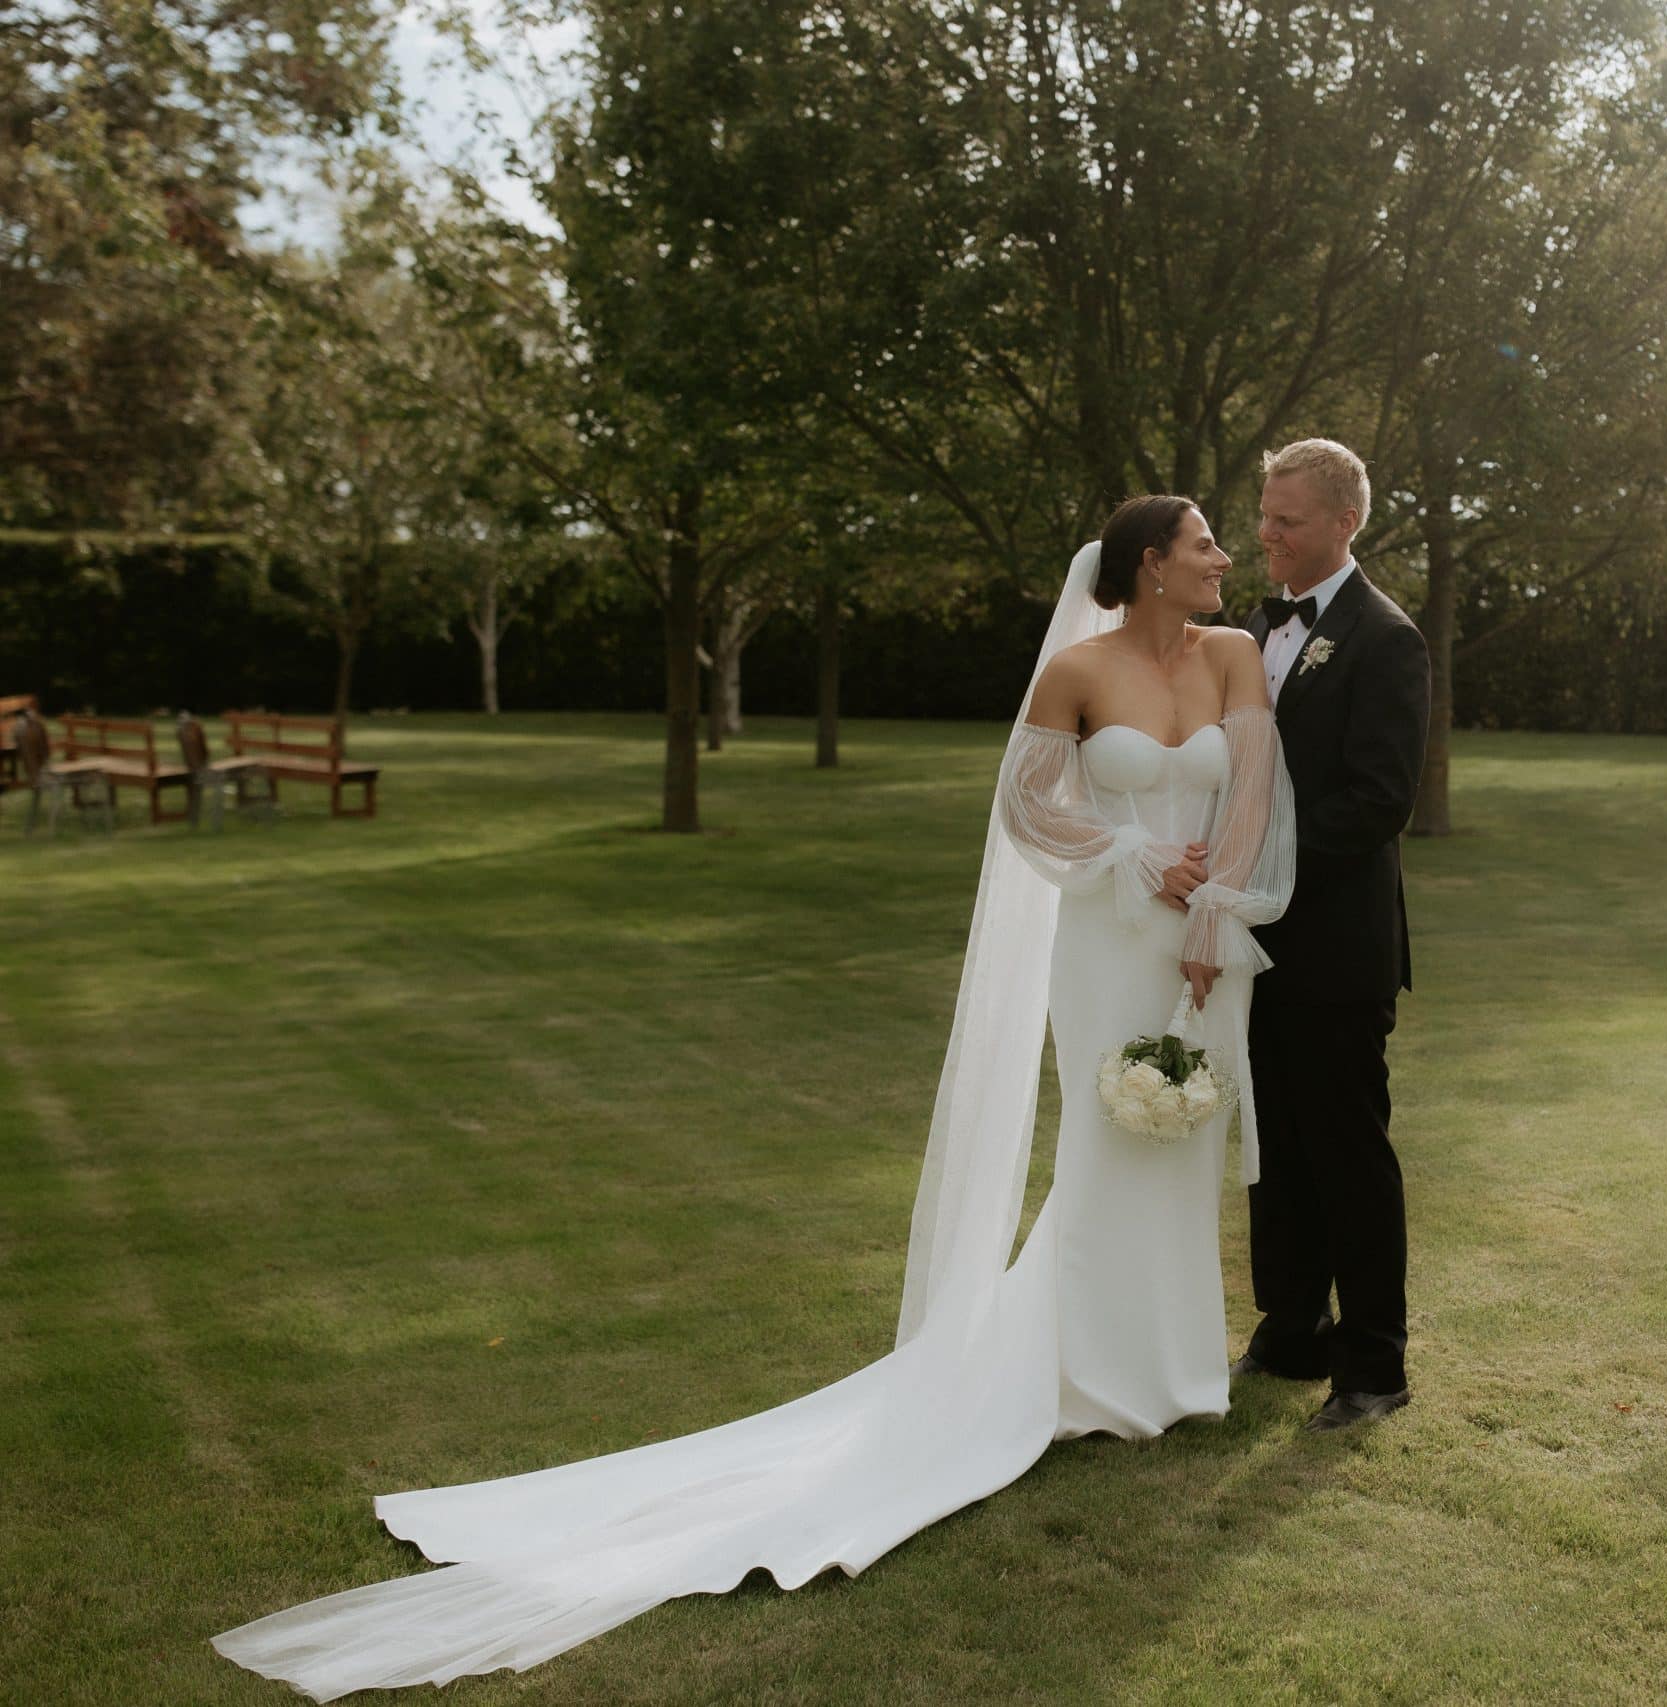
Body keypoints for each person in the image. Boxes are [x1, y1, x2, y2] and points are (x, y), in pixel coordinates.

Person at [210, 497, 1294, 1700]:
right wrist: (1132, 858)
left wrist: (1215, 909)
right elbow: (1028, 803)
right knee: (1104, 1138)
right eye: (1202, 543)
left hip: (1205, 936)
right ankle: (1092, 1374)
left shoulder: (1233, 655)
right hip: (1107, 937)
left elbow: (1253, 791)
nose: (1221, 558)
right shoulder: (1077, 670)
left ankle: (1176, 1372)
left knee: (1186, 1141)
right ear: (1148, 563)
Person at [1232, 438, 1431, 1432]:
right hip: (1255, 946)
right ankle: (1292, 1329)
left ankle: (1374, 1366)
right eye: (1265, 515)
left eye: (1287, 519)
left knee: (1349, 1155)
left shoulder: (1384, 638)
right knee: (1276, 1149)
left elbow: (1378, 800)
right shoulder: (1249, 630)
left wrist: (1254, 862)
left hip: (1338, 948)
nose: (1266, 533)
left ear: (1344, 522)